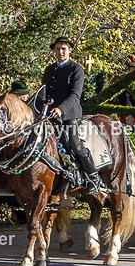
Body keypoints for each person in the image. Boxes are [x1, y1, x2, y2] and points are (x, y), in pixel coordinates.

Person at [42, 36, 101, 194]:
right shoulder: (49, 70)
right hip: (50, 115)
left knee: (75, 143)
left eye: (64, 49)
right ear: (54, 50)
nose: (60, 52)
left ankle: (94, 178)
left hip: (69, 114)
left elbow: (75, 95)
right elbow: (44, 93)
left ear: (70, 50)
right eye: (58, 49)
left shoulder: (76, 69)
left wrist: (61, 109)